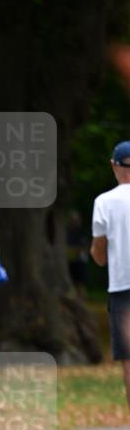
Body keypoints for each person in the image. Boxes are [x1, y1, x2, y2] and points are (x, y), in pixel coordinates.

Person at [91, 141, 130, 411]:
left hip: (122, 289)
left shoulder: (104, 202)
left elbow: (100, 254)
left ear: (114, 165)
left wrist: (98, 252)